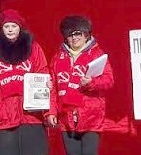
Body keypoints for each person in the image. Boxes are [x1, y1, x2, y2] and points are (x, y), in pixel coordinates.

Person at [0, 9, 49, 155]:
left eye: (14, 26)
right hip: (3, 113)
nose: (10, 29)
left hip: (30, 113)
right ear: (2, 29)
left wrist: (45, 94)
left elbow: (43, 71)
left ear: (20, 28)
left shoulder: (33, 48)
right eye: (6, 26)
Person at [46, 15, 114, 155]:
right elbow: (52, 89)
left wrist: (91, 83)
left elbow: (109, 80)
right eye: (70, 35)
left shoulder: (97, 54)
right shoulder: (57, 58)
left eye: (78, 33)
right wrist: (51, 112)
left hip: (91, 117)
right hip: (66, 118)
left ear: (86, 34)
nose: (74, 38)